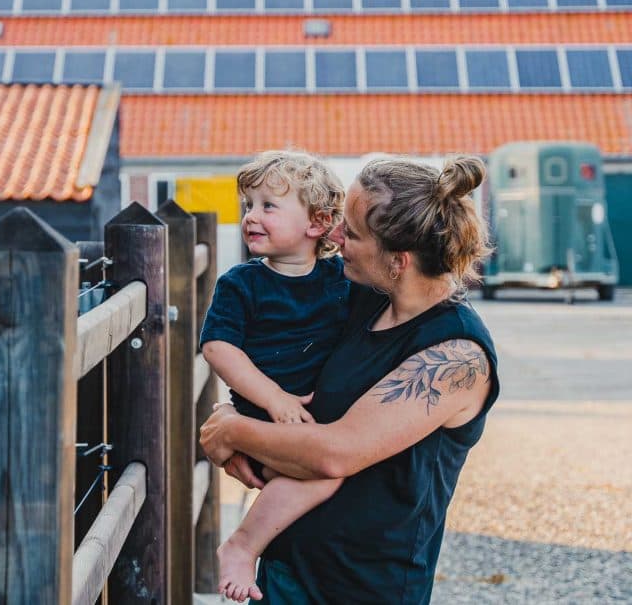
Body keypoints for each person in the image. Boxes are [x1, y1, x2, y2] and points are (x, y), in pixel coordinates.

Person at [200, 155, 500, 605]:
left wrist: (231, 430)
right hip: (282, 570)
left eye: (352, 233)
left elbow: (335, 454)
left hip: (361, 588)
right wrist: (237, 408)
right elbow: (272, 354)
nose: (334, 237)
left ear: (398, 260)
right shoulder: (355, 298)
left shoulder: (456, 357)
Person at [198, 150, 351, 602]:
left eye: (268, 206)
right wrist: (273, 398)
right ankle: (242, 546)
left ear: (318, 224)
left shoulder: (339, 278)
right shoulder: (241, 283)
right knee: (325, 472)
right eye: (249, 205)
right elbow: (218, 347)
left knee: (324, 463)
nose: (251, 217)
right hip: (263, 419)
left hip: (309, 423)